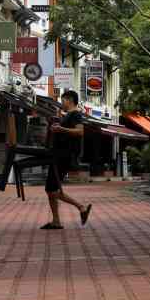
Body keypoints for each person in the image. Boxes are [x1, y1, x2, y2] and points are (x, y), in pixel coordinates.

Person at [41, 90, 92, 229]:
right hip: (59, 155)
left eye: (63, 100)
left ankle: (81, 207)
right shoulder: (68, 115)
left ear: (69, 100)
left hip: (65, 156)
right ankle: (56, 221)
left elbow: (80, 131)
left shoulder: (76, 114)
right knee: (51, 189)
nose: (62, 103)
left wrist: (61, 129)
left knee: (52, 190)